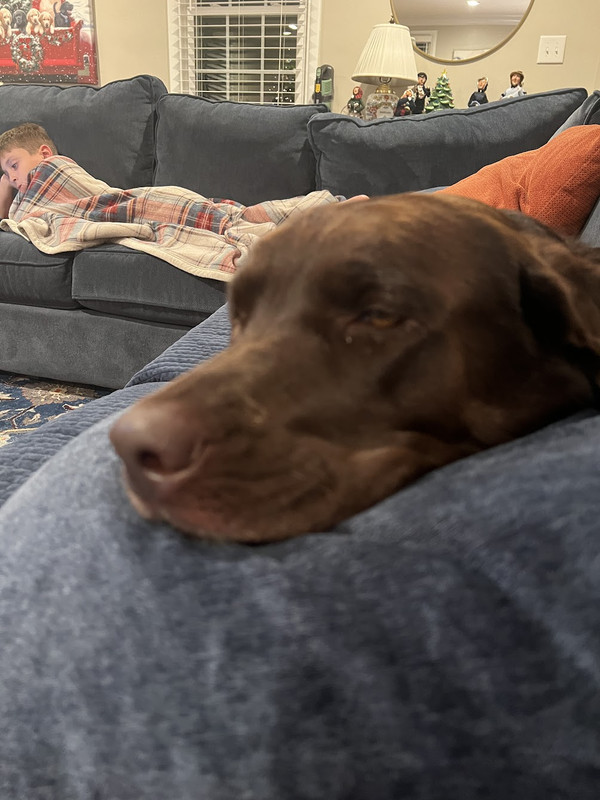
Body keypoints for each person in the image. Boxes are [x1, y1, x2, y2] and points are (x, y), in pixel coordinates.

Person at [0, 123, 368, 223]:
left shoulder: (53, 170)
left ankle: (330, 210)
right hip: (137, 205)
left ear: (44, 154)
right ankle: (330, 211)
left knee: (236, 218)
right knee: (240, 218)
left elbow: (96, 200)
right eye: (7, 173)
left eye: (14, 165)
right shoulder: (28, 190)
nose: (14, 179)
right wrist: (7, 183)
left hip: (144, 202)